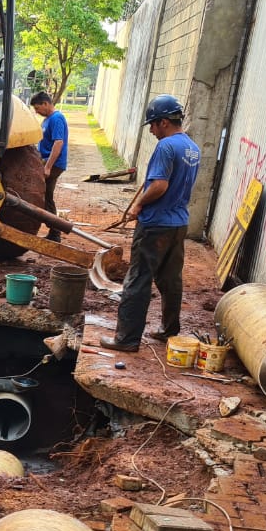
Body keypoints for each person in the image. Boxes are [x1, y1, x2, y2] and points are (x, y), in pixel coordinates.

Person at [101, 95, 202, 353]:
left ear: (165, 122)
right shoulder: (192, 148)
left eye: (153, 125)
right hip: (178, 223)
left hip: (155, 223)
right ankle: (170, 330)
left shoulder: (166, 147)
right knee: (170, 279)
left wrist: (138, 205)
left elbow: (159, 185)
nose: (152, 131)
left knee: (138, 279)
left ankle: (126, 339)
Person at [31, 91, 67, 243]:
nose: (36, 112)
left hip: (53, 164)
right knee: (46, 197)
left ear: (46, 104)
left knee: (46, 198)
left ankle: (55, 232)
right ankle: (54, 231)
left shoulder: (57, 118)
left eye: (38, 108)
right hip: (45, 161)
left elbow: (58, 143)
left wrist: (48, 167)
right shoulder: (47, 120)